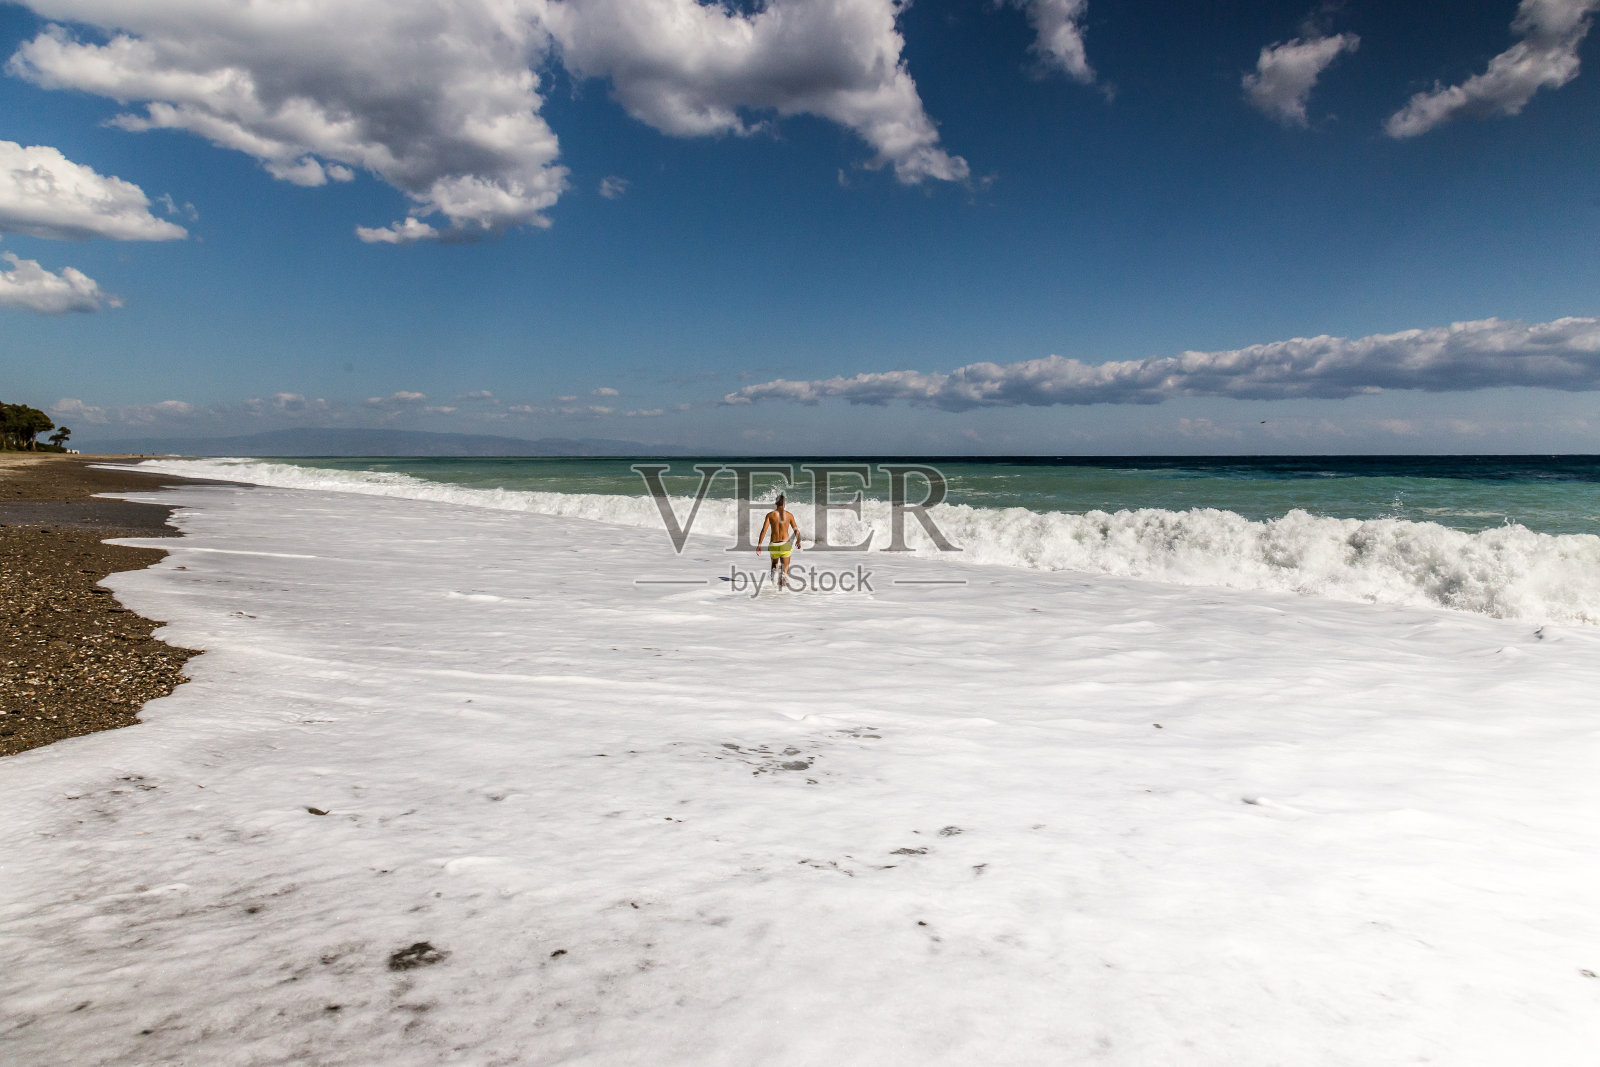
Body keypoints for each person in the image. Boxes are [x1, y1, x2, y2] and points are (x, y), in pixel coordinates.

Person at [756, 492, 803, 590]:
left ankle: (773, 587)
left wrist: (759, 544)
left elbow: (764, 530)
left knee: (774, 565)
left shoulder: (770, 515)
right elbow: (796, 530)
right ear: (784, 503)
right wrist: (798, 541)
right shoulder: (789, 515)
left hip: (773, 545)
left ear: (776, 503)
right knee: (784, 569)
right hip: (785, 545)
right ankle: (782, 589)